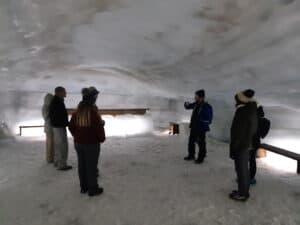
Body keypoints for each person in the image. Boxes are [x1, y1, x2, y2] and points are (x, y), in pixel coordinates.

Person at [69, 87, 106, 197]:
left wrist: (77, 135)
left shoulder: (77, 112)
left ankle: (83, 187)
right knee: (91, 166)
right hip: (91, 144)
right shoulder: (93, 113)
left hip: (78, 144)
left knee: (82, 166)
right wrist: (101, 137)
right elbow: (98, 128)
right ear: (92, 98)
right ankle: (93, 189)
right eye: (95, 97)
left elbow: (71, 126)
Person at [229, 89, 258, 202]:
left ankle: (242, 194)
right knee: (243, 169)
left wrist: (235, 146)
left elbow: (238, 131)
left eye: (237, 99)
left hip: (241, 145)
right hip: (246, 144)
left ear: (242, 100)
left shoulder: (243, 111)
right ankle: (243, 191)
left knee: (241, 170)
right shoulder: (251, 109)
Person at [184, 90, 213, 164]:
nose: (195, 98)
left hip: (201, 128)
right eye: (195, 96)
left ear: (201, 97)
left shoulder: (207, 106)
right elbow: (189, 106)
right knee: (191, 142)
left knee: (201, 143)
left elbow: (209, 119)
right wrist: (186, 104)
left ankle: (201, 158)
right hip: (194, 127)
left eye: (196, 96)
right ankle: (191, 155)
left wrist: (201, 121)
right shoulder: (196, 104)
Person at [49, 86, 72, 171]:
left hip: (57, 126)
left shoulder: (57, 101)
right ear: (59, 92)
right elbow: (58, 116)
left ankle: (57, 162)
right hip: (59, 126)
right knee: (62, 146)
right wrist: (66, 123)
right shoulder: (57, 102)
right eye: (64, 91)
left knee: (58, 145)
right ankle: (62, 165)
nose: (66, 93)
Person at [42, 93, 55, 163]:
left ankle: (50, 157)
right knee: (50, 144)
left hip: (49, 127)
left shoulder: (46, 106)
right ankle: (50, 158)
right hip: (49, 127)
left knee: (50, 144)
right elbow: (46, 116)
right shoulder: (46, 107)